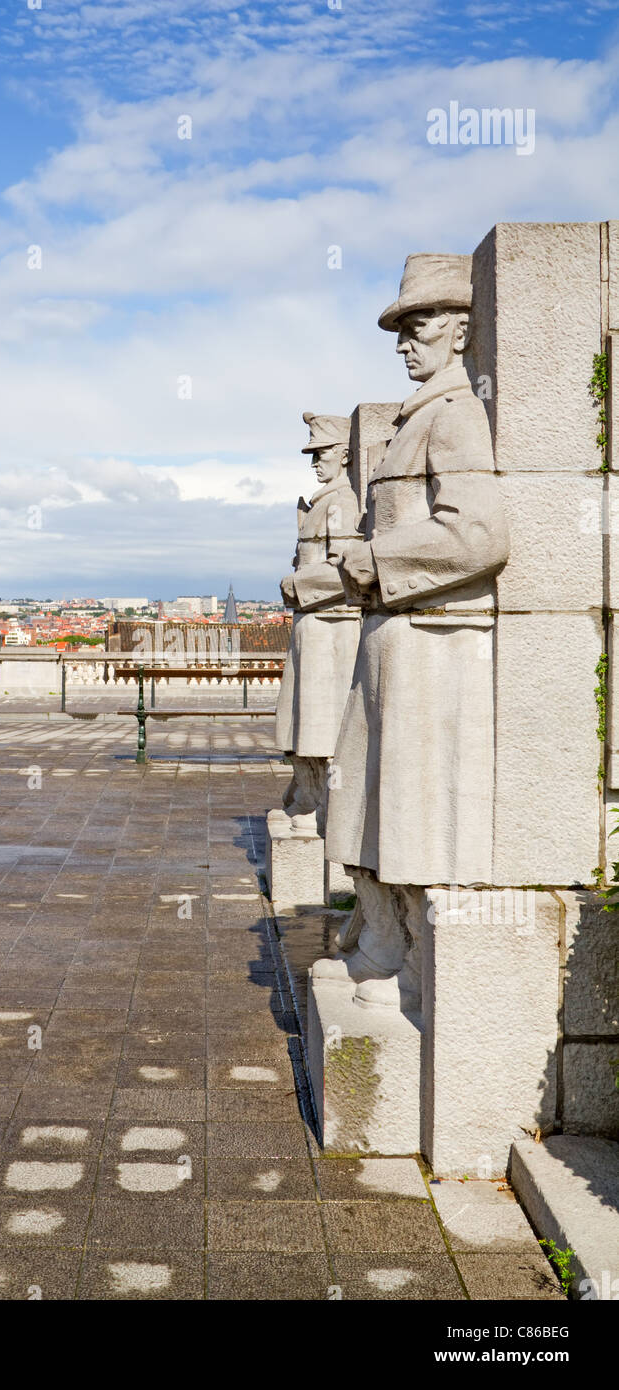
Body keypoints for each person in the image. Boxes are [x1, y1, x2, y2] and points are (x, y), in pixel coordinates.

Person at [322, 253, 510, 1007]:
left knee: (405, 807)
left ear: (460, 330)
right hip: (394, 636)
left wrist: (375, 557)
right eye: (401, 327)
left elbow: (479, 536)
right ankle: (384, 935)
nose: (404, 340)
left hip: (425, 639)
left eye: (419, 323)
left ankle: (403, 956)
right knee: (363, 800)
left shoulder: (457, 414)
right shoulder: (418, 418)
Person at [273, 413, 361, 836]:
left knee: (320, 725)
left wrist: (294, 583)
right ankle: (307, 796)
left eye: (321, 453)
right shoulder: (324, 501)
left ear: (344, 455)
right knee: (300, 722)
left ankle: (322, 806)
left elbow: (343, 569)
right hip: (314, 626)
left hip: (330, 626)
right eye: (312, 454)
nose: (314, 462)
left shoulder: (342, 503)